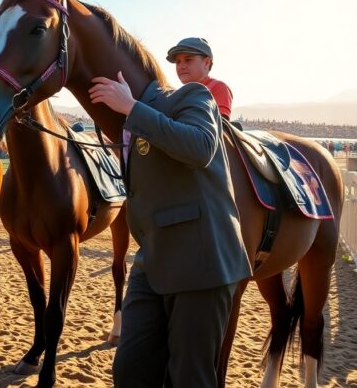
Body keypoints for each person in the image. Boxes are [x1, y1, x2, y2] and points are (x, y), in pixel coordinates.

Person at [88, 70, 251, 387]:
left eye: (188, 59)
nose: (182, 65)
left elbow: (201, 148)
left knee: (190, 376)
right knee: (129, 370)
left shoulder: (192, 95)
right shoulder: (127, 123)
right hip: (151, 258)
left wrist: (132, 108)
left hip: (201, 261)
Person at [167, 37, 233, 120]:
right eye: (178, 62)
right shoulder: (177, 95)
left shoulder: (218, 87)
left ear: (206, 63)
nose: (181, 66)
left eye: (188, 60)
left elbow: (221, 127)